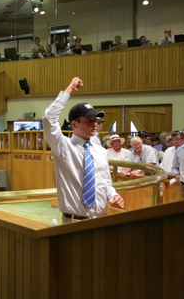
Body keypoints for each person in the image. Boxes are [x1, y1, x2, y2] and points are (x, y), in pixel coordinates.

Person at [42, 77, 124, 223]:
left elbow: (105, 183)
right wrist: (69, 89)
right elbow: (49, 118)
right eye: (88, 120)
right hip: (75, 221)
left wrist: (113, 195)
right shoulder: (63, 147)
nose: (94, 124)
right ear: (74, 124)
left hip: (101, 219)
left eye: (95, 120)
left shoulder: (101, 151)